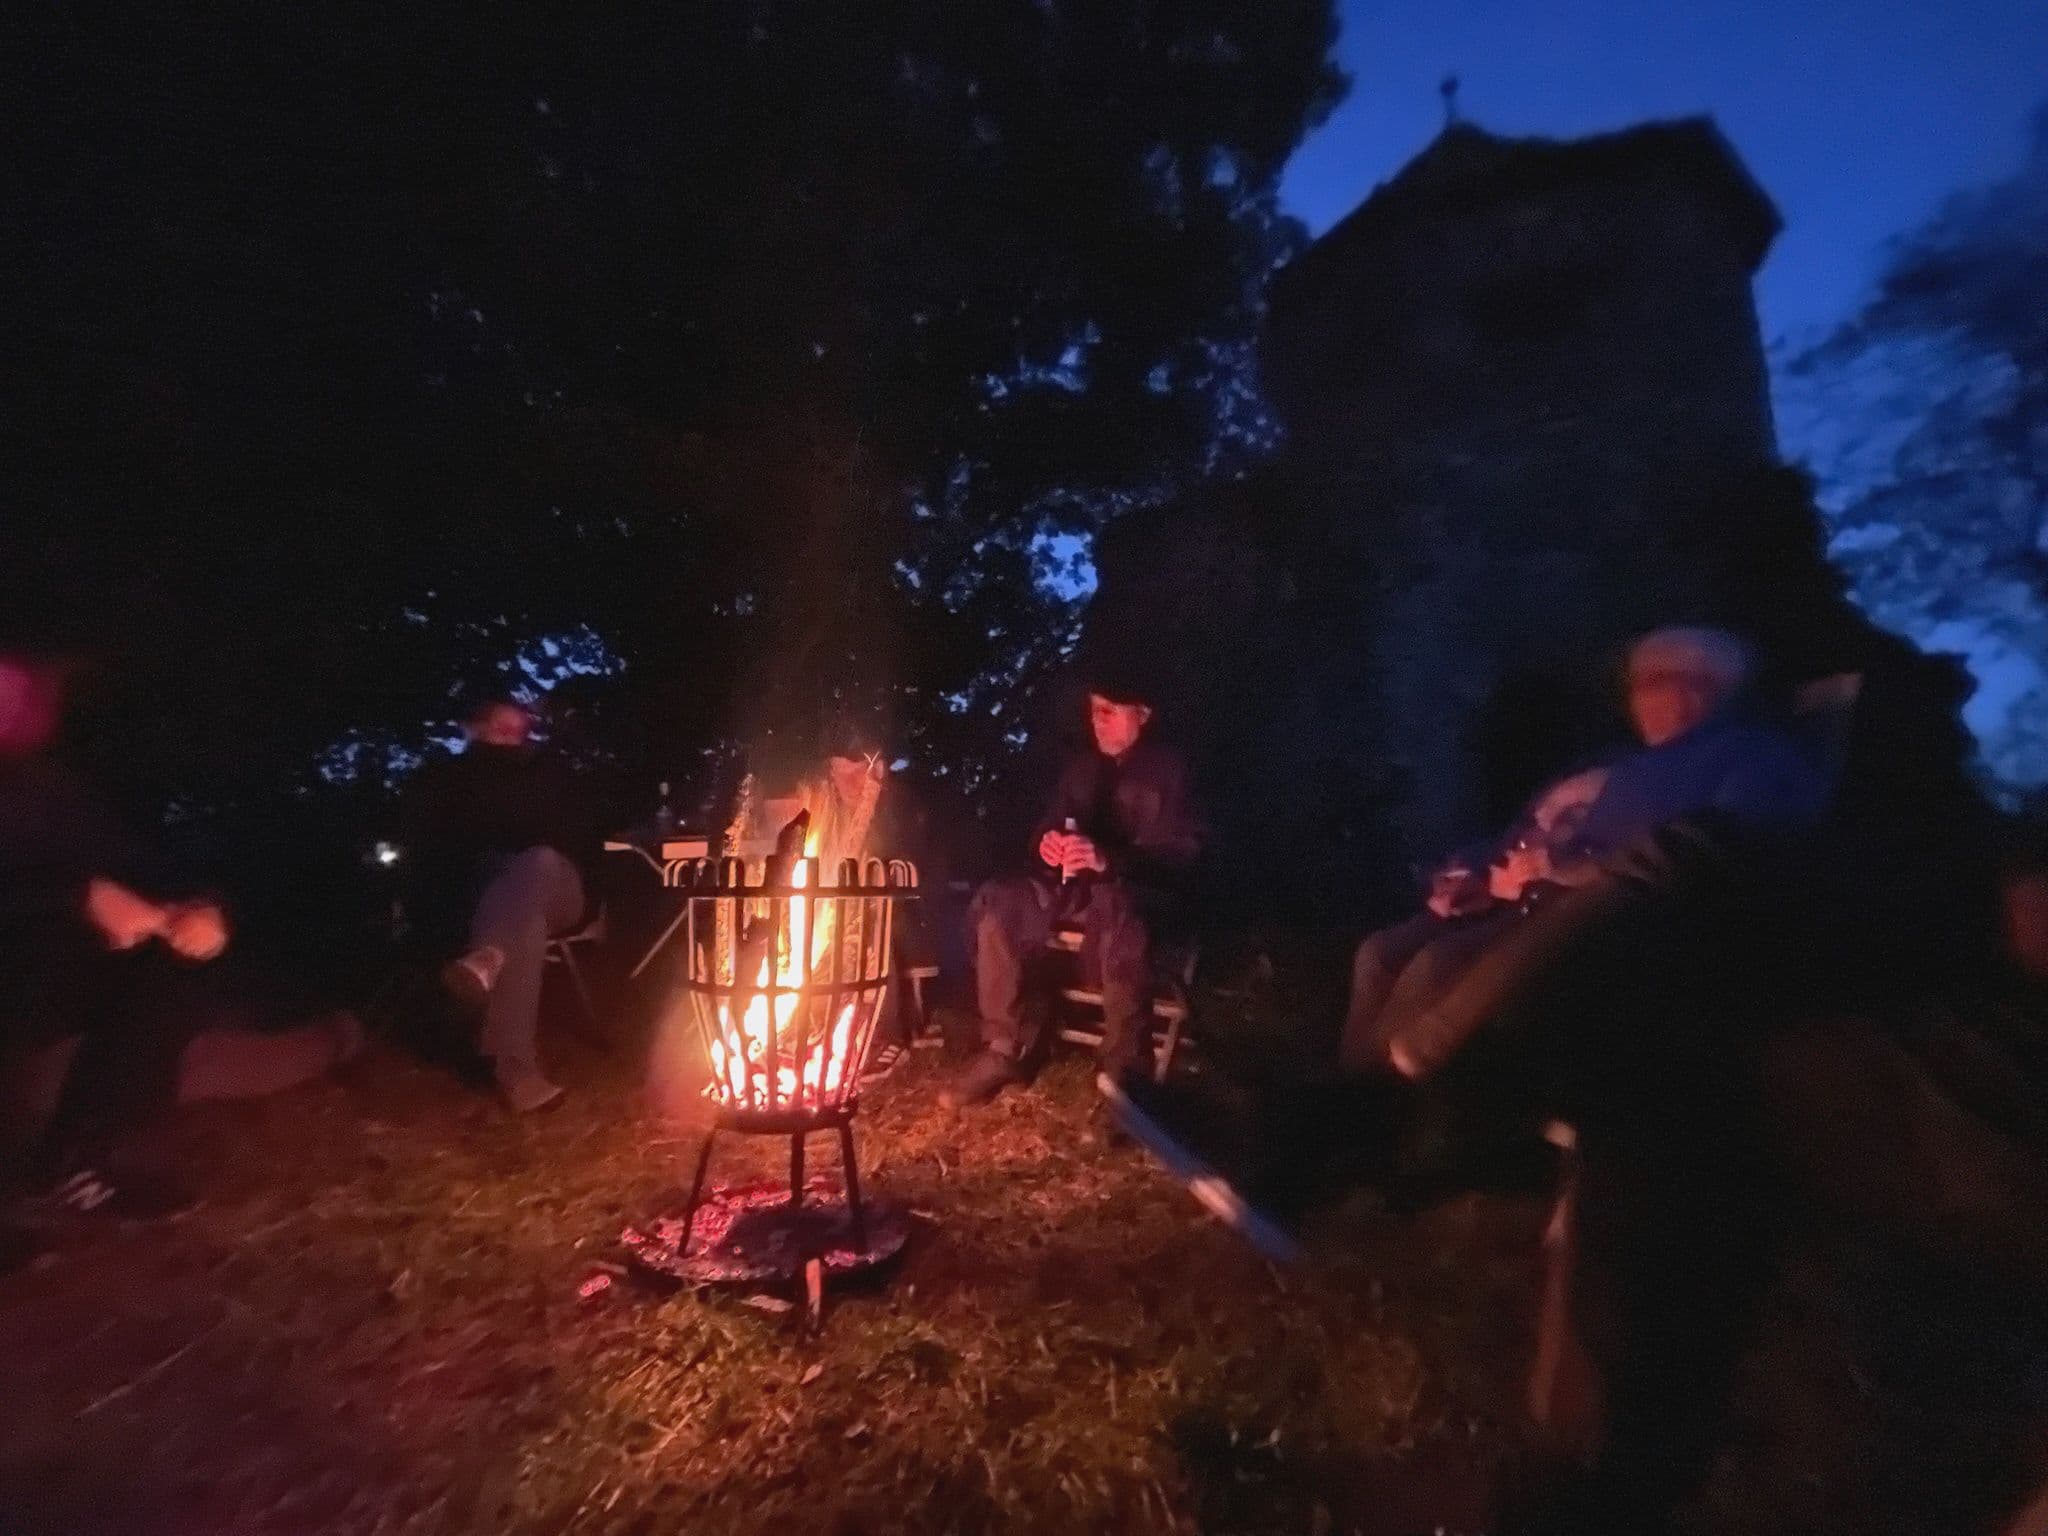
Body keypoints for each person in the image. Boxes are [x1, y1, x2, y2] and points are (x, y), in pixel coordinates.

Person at [1375, 626, 1830, 1082]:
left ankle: (1387, 1085)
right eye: (1636, 686)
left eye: (1655, 683)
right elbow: (1542, 831)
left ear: (1701, 689)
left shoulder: (1751, 753)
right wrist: (1480, 868)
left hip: (1621, 921)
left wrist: (1568, 869)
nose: (1639, 700)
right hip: (1537, 901)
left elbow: (1717, 842)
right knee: (1387, 953)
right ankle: (1363, 1084)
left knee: (1436, 966)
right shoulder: (1624, 765)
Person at [0, 653, 360, 1229]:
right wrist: (77, 894)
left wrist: (200, 908)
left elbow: (144, 863)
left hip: (64, 984)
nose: (10, 703)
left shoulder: (45, 787)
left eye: (16, 691)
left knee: (178, 971)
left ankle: (84, 1161)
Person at [942, 669, 1202, 1111]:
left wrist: (1109, 861)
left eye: (1110, 711)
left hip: (1141, 893)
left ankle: (1125, 1073)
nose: (1098, 720)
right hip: (1074, 890)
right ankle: (1003, 1048)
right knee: (1001, 899)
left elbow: (1186, 855)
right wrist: (1047, 843)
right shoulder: (1084, 769)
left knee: (1120, 909)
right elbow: (1054, 822)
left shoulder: (1172, 771)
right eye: (1094, 711)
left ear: (1142, 714)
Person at [1340, 763, 1610, 1075]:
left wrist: (1545, 866)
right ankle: (1350, 1072)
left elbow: (1602, 865)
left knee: (1430, 964)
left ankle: (1362, 1080)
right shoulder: (1578, 772)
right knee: (1376, 953)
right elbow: (1510, 837)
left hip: (1537, 906)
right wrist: (1465, 871)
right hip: (1490, 894)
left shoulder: (1622, 788)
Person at [400, 698, 594, 1112]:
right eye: (497, 726)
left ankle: (487, 957)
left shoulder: (547, 771)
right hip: (497, 904)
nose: (508, 734)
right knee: (522, 925)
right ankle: (517, 1075)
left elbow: (568, 835)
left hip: (558, 887)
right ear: (475, 729)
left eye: (516, 727)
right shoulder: (449, 780)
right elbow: (435, 852)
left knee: (537, 862)